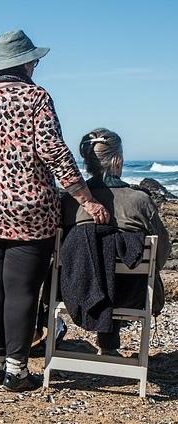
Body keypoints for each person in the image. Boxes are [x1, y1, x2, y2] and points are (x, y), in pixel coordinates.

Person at [0, 30, 110, 391]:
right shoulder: (36, 97)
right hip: (29, 209)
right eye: (33, 60)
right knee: (21, 289)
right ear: (24, 63)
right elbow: (53, 151)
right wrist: (86, 198)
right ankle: (16, 371)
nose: (36, 65)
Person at [61, 128, 170, 355]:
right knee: (122, 269)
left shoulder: (70, 202)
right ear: (117, 159)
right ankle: (109, 345)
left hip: (76, 291)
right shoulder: (140, 201)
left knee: (94, 262)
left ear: (87, 161)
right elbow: (162, 251)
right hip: (132, 293)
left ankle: (43, 334)